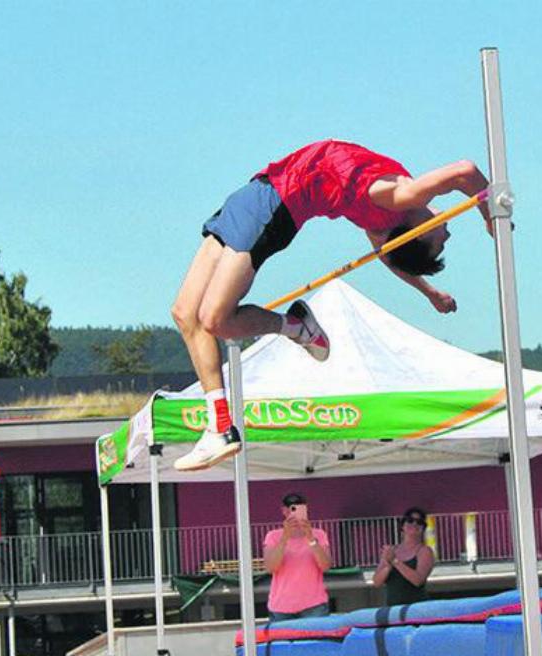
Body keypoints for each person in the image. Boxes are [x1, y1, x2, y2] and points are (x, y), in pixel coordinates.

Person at [171, 139, 492, 471]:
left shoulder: (399, 198)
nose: (448, 236)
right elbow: (389, 253)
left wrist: (489, 213)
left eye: (439, 242)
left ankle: (289, 334)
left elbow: (464, 172)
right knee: (184, 313)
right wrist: (430, 291)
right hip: (254, 192)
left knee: (215, 319)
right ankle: (218, 427)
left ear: (417, 233)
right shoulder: (383, 219)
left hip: (275, 204)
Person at [262, 492, 332, 622]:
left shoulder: (319, 534)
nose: (294, 513)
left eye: (300, 508)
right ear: (284, 511)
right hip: (281, 606)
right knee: (281, 642)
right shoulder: (273, 536)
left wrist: (310, 538)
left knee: (315, 642)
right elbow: (270, 567)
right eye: (291, 508)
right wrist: (284, 538)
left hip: (314, 604)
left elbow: (325, 566)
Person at [372, 507, 435, 605]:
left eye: (419, 522)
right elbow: (377, 582)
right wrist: (388, 566)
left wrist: (395, 562)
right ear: (402, 526)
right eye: (410, 520)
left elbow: (418, 580)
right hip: (394, 610)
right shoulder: (392, 550)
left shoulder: (424, 551)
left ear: (423, 528)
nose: (414, 524)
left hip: (416, 608)